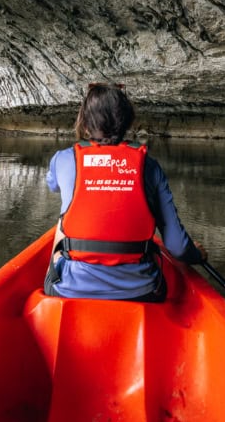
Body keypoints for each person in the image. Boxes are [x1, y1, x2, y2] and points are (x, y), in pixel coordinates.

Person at [44, 82, 207, 301]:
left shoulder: (63, 159)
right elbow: (177, 248)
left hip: (68, 289)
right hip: (142, 291)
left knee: (63, 222)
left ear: (85, 124)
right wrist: (196, 254)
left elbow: (52, 186)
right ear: (127, 122)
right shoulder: (149, 166)